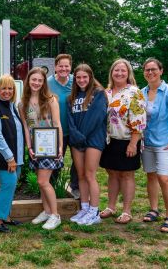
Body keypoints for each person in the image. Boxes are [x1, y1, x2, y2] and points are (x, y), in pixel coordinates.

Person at [99, 59, 147, 224]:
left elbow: (139, 119)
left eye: (123, 71)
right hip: (109, 140)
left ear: (128, 74)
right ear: (111, 73)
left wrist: (133, 143)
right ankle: (111, 207)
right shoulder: (107, 92)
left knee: (127, 175)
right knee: (112, 173)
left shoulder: (134, 92)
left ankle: (127, 211)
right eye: (116, 70)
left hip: (127, 140)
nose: (119, 73)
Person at [141, 58, 168, 233]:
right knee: (151, 176)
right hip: (147, 142)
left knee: (164, 179)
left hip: (165, 143)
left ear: (161, 71)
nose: (150, 72)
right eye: (147, 70)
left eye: (153, 69)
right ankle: (153, 209)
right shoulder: (141, 92)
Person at [19, 67, 63, 230]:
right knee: (41, 182)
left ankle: (55, 215)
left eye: (40, 80)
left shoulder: (51, 100)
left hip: (50, 146)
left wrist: (59, 145)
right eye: (34, 80)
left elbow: (57, 124)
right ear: (28, 81)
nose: (36, 83)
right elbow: (25, 127)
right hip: (35, 148)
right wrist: (29, 147)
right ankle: (46, 211)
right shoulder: (22, 103)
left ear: (44, 82)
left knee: (43, 181)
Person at [66, 64, 108, 226]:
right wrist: (76, 135)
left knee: (90, 175)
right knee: (81, 175)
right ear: (74, 79)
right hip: (77, 141)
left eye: (85, 77)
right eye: (78, 77)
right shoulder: (72, 98)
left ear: (90, 77)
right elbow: (70, 119)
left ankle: (94, 211)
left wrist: (82, 136)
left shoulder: (98, 94)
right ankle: (84, 208)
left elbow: (96, 118)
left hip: (93, 140)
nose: (82, 80)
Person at [0, 74, 24, 233]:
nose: (7, 91)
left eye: (10, 88)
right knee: (8, 184)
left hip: (16, 157)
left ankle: (6, 216)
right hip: (4, 157)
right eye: (4, 88)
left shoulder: (12, 106)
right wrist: (9, 157)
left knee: (12, 185)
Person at [47, 54, 80, 199]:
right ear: (55, 67)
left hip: (74, 128)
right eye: (61, 66)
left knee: (77, 161)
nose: (64, 69)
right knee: (54, 162)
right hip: (54, 130)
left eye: (67, 66)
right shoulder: (48, 83)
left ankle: (75, 186)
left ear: (70, 67)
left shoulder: (76, 81)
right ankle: (51, 189)